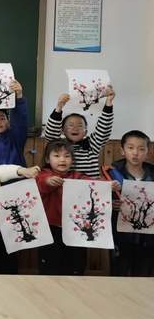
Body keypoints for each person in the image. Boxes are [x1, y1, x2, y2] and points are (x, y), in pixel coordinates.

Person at [36, 140, 119, 276]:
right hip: (50, 229)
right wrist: (48, 181)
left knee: (75, 264)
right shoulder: (43, 174)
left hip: (75, 229)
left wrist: (109, 185)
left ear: (72, 160)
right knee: (49, 265)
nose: (62, 159)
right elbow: (41, 183)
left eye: (67, 156)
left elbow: (93, 183)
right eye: (56, 156)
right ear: (47, 159)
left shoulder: (77, 176)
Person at [108, 130, 154, 276]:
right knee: (119, 272)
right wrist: (111, 204)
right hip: (120, 235)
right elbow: (100, 202)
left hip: (149, 237)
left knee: (144, 273)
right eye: (130, 148)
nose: (135, 153)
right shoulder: (111, 174)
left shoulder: (153, 174)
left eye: (141, 149)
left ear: (147, 152)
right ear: (122, 150)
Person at [43, 87, 115, 178]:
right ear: (62, 131)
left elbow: (103, 129)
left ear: (85, 132)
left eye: (80, 126)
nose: (75, 128)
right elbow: (50, 133)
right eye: (70, 125)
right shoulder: (58, 145)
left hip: (90, 186)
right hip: (64, 185)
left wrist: (108, 103)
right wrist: (59, 107)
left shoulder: (92, 145)